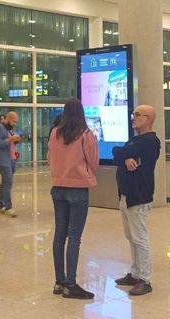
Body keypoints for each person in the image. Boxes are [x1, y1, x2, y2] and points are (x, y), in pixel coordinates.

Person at [48, 98, 99, 300]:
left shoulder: (54, 133)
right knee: (74, 235)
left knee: (60, 233)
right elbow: (93, 162)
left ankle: (59, 281)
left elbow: (50, 157)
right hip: (78, 188)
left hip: (58, 187)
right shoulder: (85, 134)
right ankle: (71, 283)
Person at [112, 105, 160, 296]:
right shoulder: (135, 140)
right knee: (131, 236)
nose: (133, 118)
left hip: (138, 195)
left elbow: (118, 150)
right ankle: (135, 273)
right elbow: (118, 154)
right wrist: (125, 158)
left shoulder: (149, 141)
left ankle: (145, 279)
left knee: (140, 238)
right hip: (126, 194)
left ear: (148, 119)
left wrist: (124, 154)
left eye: (137, 115)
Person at [0, 112, 21, 217]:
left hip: (12, 158)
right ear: (8, 118)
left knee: (5, 183)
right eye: (13, 121)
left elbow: (12, 142)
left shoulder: (11, 129)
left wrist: (16, 140)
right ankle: (8, 207)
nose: (14, 124)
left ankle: (0, 205)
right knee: (8, 182)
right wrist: (9, 140)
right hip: (3, 160)